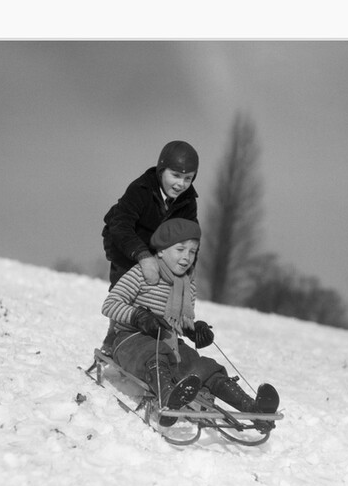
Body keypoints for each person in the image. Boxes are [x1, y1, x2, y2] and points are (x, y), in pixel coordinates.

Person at [101, 218, 280, 430]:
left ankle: (254, 409)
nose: (187, 257)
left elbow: (180, 322)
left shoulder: (187, 285)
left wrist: (194, 330)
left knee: (204, 367)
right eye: (180, 249)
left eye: (192, 251)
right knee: (154, 354)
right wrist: (139, 316)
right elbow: (110, 304)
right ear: (160, 251)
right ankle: (168, 397)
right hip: (130, 341)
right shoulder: (141, 274)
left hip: (168, 341)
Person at [99, 140, 201, 355]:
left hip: (161, 247)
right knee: (129, 282)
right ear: (162, 170)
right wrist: (143, 256)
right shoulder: (141, 189)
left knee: (162, 286)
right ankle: (116, 333)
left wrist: (188, 269)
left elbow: (191, 237)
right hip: (126, 242)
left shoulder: (188, 201)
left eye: (188, 178)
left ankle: (159, 332)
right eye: (175, 175)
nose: (181, 184)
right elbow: (122, 225)